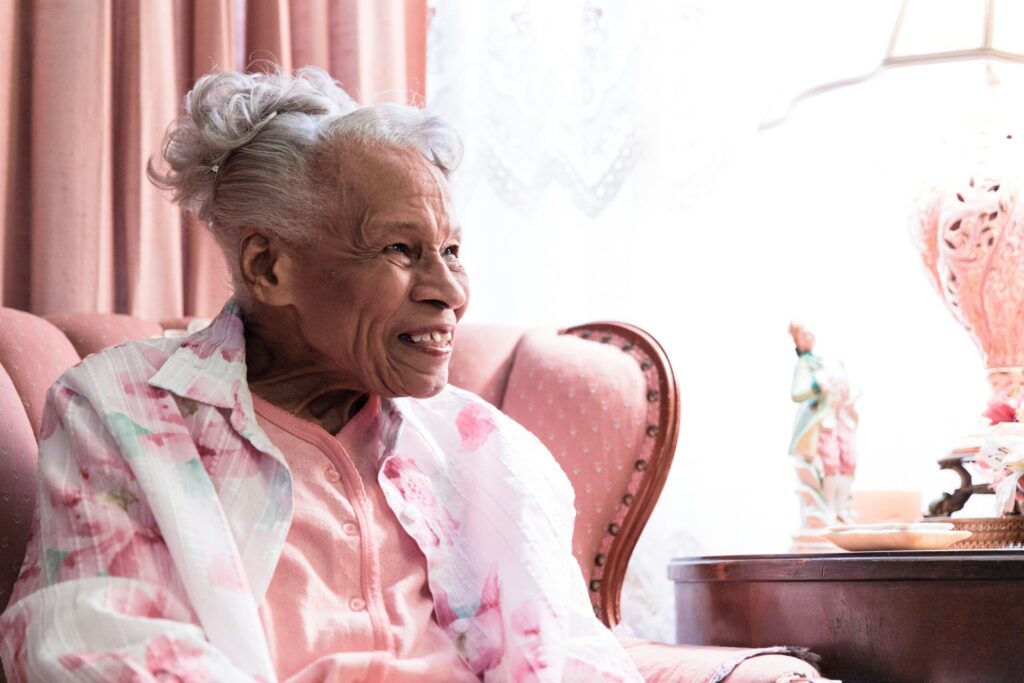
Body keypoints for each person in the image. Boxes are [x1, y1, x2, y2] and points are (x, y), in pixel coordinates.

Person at [0, 67, 822, 683]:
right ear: (268, 264)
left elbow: (572, 652)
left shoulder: (481, 446)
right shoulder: (126, 411)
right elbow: (98, 643)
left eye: (452, 251)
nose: (451, 291)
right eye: (402, 250)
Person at [788, 322, 858, 526]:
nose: (809, 338)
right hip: (824, 419)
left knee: (849, 461)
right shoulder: (806, 364)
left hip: (840, 417)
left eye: (810, 333)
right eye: (804, 335)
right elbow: (797, 393)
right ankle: (830, 509)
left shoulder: (828, 362)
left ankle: (842, 508)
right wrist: (817, 386)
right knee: (831, 463)